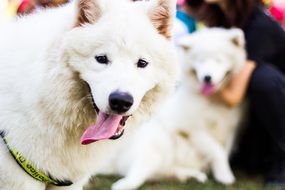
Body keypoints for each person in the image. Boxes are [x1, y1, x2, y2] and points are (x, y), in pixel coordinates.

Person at [185, 0, 285, 187]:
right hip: (256, 114)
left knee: (262, 79)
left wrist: (196, 82)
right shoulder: (222, 17)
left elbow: (232, 97)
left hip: (277, 102)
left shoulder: (259, 27)